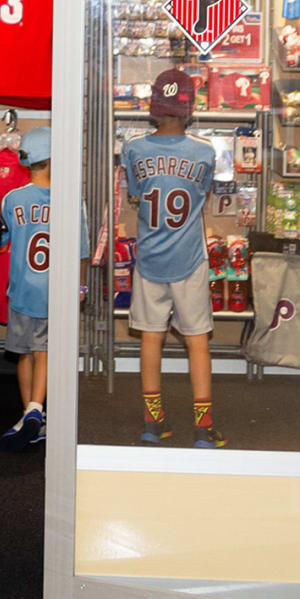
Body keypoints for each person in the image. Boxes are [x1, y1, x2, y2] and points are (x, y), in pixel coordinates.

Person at [123, 70, 222, 448]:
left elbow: (136, 192)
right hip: (189, 258)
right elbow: (202, 192)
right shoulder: (203, 150)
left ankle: (152, 423)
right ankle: (203, 427)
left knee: (151, 338)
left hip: (150, 258)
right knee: (198, 341)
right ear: (189, 108)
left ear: (154, 108)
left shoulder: (134, 148)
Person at [0, 127, 86, 453]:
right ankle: (35, 410)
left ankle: (31, 414)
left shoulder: (13, 199)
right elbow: (81, 250)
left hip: (22, 289)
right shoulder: (69, 199)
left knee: (24, 353)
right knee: (43, 351)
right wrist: (81, 286)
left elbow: (1, 241)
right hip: (56, 290)